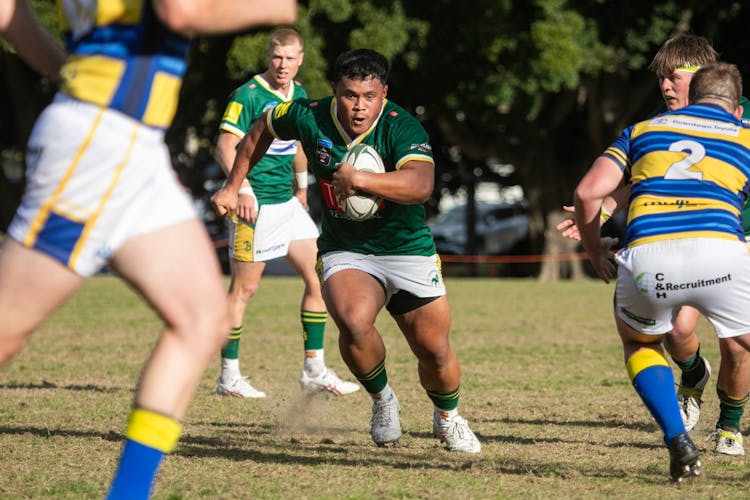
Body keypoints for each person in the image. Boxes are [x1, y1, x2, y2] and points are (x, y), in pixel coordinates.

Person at [0, 1, 296, 498]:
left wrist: (66, 71)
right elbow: (179, 11)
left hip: (132, 147)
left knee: (202, 319)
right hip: (100, 143)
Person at [212, 48, 481, 453]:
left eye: (369, 96)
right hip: (347, 249)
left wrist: (363, 181)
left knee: (434, 350)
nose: (359, 107)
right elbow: (260, 128)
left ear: (384, 93)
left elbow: (421, 186)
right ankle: (383, 400)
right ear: (335, 89)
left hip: (407, 248)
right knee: (353, 321)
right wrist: (234, 184)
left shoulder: (401, 127)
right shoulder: (309, 115)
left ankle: (448, 418)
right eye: (350, 95)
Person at [558, 34, 750, 455]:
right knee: (679, 331)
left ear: (703, 79)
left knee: (735, 343)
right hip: (681, 238)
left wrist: (596, 220)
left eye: (673, 78)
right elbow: (643, 177)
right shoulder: (656, 121)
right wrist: (605, 210)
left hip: (733, 236)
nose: (664, 86)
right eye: (660, 78)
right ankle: (694, 376)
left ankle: (730, 425)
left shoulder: (741, 116)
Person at [214, 28, 358, 398]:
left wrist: (302, 187)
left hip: (286, 204)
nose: (283, 64)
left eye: (290, 58)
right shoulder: (247, 95)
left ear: (301, 60)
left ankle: (314, 369)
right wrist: (241, 188)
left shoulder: (300, 95)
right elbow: (226, 145)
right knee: (244, 290)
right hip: (254, 204)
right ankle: (228, 376)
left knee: (320, 278)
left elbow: (296, 145)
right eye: (277, 57)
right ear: (268, 56)